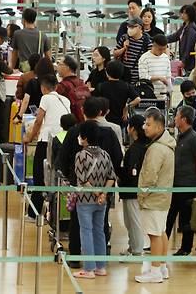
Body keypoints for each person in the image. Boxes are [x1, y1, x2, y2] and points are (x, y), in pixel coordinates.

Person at [56, 97, 123, 267]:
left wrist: (70, 177)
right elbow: (117, 159)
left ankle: (78, 256)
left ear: (82, 111)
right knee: (100, 225)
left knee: (78, 224)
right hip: (105, 188)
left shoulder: (74, 132)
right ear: (101, 112)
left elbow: (62, 161)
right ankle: (101, 260)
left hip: (81, 191)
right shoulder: (109, 133)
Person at [71, 120, 117, 279]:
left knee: (86, 232)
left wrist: (97, 193)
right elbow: (111, 177)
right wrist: (104, 193)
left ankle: (89, 269)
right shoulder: (105, 154)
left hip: (85, 200)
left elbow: (83, 180)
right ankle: (101, 266)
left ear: (84, 138)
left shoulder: (80, 155)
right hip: (102, 202)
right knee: (99, 231)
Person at [135, 109, 176, 283]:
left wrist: (142, 194)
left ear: (159, 127)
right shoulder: (165, 145)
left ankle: (155, 271)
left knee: (154, 234)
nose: (145, 127)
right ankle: (162, 267)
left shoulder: (157, 149)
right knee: (161, 231)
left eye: (149, 124)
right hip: (163, 197)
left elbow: (150, 175)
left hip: (154, 198)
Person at [23, 75, 71, 218]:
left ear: (43, 88)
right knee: (57, 177)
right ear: (56, 86)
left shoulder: (45, 98)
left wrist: (29, 137)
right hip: (63, 140)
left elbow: (38, 121)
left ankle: (34, 213)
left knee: (39, 176)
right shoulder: (66, 100)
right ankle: (54, 213)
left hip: (46, 141)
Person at [166, 106, 196, 256]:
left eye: (177, 116)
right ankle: (162, 243)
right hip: (176, 184)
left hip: (188, 185)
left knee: (185, 217)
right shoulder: (181, 136)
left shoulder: (194, 138)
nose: (175, 118)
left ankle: (185, 248)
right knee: (170, 216)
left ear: (184, 119)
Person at [116, 115, 150, 258]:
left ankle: (136, 250)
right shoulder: (143, 145)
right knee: (129, 221)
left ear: (133, 129)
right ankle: (132, 247)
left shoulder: (136, 148)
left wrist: (121, 174)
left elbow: (131, 171)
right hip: (130, 190)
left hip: (132, 190)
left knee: (133, 221)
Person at [94, 60, 141, 127]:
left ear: (107, 72)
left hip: (104, 120)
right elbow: (138, 99)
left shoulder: (101, 86)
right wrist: (127, 106)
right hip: (120, 120)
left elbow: (95, 102)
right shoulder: (126, 86)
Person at [113, 16, 152, 85]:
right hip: (124, 76)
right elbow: (115, 53)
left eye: (132, 27)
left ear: (139, 27)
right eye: (128, 26)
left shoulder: (146, 41)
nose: (129, 29)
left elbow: (150, 59)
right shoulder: (124, 38)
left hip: (139, 79)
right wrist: (124, 49)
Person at [56, 55, 91, 123]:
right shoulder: (82, 83)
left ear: (67, 67)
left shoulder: (62, 86)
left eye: (59, 64)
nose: (57, 67)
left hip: (69, 124)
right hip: (84, 121)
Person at [166, 5, 196, 73]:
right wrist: (161, 39)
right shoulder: (185, 26)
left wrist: (183, 61)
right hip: (184, 60)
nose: (182, 14)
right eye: (182, 12)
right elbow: (174, 36)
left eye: (185, 13)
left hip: (189, 62)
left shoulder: (191, 30)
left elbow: (189, 47)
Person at [138, 34, 172, 98]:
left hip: (163, 95)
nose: (162, 51)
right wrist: (159, 78)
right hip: (148, 95)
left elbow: (168, 76)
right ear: (153, 45)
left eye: (164, 49)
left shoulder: (165, 58)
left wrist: (170, 88)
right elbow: (143, 77)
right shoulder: (144, 58)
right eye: (160, 49)